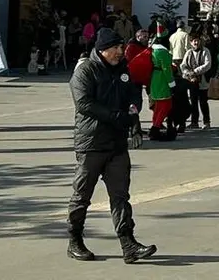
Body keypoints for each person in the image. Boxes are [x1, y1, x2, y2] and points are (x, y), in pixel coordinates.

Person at [65, 28, 155, 264]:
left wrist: (134, 117)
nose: (119, 52)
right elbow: (84, 103)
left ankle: (128, 243)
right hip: (92, 143)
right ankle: (75, 240)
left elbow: (133, 95)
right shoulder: (86, 70)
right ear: (102, 49)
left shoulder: (122, 70)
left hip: (116, 144)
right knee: (82, 195)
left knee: (120, 196)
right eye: (114, 48)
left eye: (120, 47)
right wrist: (116, 116)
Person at [180, 33, 212, 130]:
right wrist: (188, 73)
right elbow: (183, 65)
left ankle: (206, 122)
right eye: (194, 41)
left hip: (202, 81)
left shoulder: (205, 51)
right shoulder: (189, 52)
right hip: (192, 81)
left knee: (203, 102)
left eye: (197, 40)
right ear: (191, 42)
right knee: (193, 102)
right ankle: (194, 122)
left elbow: (207, 64)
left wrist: (195, 71)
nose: (196, 42)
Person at [148, 35, 175, 133]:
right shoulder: (163, 52)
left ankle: (155, 124)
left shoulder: (153, 50)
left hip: (155, 78)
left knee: (158, 106)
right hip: (162, 80)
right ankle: (156, 127)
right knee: (165, 105)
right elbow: (167, 69)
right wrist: (172, 84)